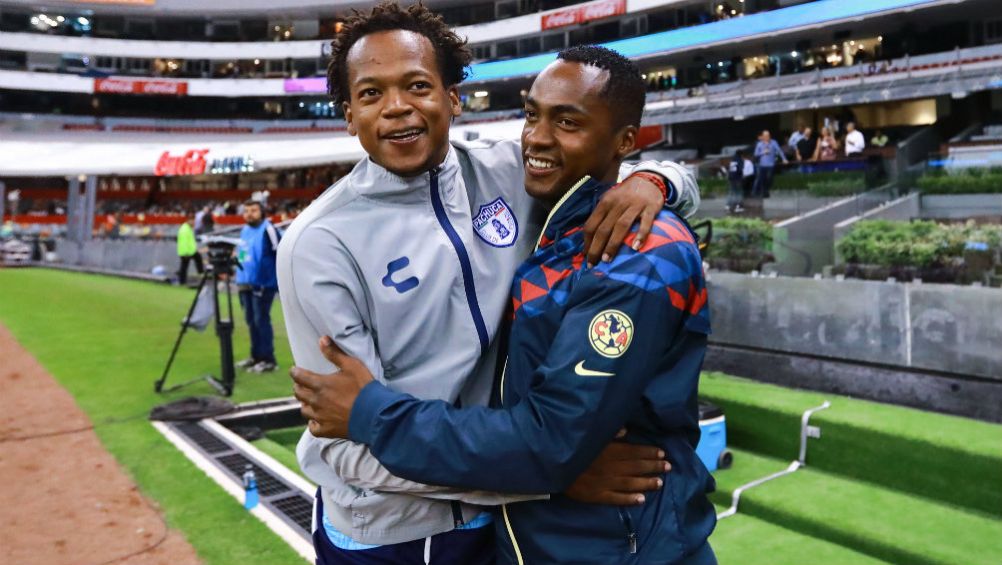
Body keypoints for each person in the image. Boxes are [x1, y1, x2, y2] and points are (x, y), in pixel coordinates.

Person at [277, 4, 699, 564]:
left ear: (454, 98)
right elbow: (345, 434)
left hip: (504, 523)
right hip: (391, 536)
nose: (397, 107)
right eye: (371, 94)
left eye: (418, 85)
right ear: (349, 115)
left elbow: (636, 168)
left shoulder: (512, 170)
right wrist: (544, 474)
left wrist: (653, 181)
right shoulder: (319, 244)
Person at [236, 199, 281, 373]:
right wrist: (239, 275)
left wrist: (272, 279)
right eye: (246, 210)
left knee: (261, 320)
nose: (249, 214)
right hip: (245, 283)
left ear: (262, 212)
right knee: (251, 321)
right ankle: (255, 357)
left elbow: (279, 253)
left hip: (263, 284)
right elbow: (242, 254)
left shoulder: (269, 230)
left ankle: (268, 359)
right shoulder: (244, 230)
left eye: (253, 210)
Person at [753, 129, 787, 198]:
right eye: (765, 135)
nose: (767, 137)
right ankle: (764, 193)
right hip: (762, 165)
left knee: (769, 178)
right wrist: (763, 152)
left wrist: (784, 159)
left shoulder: (773, 142)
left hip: (771, 164)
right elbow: (756, 154)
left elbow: (779, 150)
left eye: (768, 135)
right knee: (762, 179)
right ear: (763, 136)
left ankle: (766, 191)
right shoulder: (759, 144)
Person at [175, 216, 203, 286]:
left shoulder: (187, 228)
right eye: (193, 221)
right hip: (187, 252)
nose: (194, 223)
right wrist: (186, 253)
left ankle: (183, 281)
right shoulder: (185, 229)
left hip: (190, 251)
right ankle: (182, 281)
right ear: (188, 220)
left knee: (196, 260)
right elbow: (184, 242)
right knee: (185, 266)